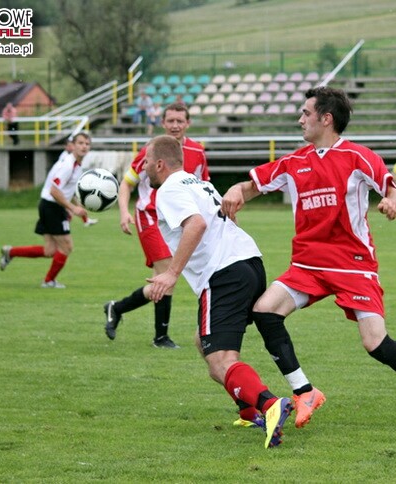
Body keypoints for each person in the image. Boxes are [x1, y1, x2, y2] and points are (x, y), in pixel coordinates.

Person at [221, 86, 396, 429]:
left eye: (306, 113)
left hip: (352, 265)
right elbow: (250, 186)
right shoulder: (294, 162)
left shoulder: (358, 157)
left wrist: (393, 203)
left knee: (375, 343)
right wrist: (236, 190)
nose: (300, 120)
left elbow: (394, 191)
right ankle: (305, 391)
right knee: (265, 311)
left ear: (326, 119)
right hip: (307, 265)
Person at [143, 134, 294, 449]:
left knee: (220, 359)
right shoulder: (200, 183)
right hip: (250, 263)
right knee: (204, 342)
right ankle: (248, 409)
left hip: (223, 273)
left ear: (159, 164)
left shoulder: (168, 189)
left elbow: (196, 224)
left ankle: (269, 405)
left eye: (145, 162)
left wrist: (171, 273)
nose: (143, 168)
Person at [104, 103, 210, 348]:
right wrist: (123, 212)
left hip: (178, 218)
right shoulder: (150, 151)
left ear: (188, 124)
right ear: (162, 123)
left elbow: (203, 185)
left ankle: (116, 308)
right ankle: (160, 337)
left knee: (160, 279)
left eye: (179, 121)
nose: (175, 125)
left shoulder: (197, 151)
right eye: (170, 121)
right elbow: (127, 183)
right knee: (167, 268)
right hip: (150, 215)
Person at [0, 132, 91, 288]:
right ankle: (48, 281)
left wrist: (76, 205)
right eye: (80, 143)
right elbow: (54, 191)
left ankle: (11, 252)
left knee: (50, 250)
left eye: (87, 144)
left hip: (50, 206)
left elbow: (66, 190)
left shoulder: (76, 165)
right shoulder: (68, 165)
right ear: (73, 145)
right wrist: (72, 208)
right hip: (52, 207)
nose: (84, 146)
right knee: (67, 246)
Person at [58, 138, 99, 227]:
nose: (71, 147)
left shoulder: (74, 157)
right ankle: (67, 224)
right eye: (69, 146)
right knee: (70, 208)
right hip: (64, 189)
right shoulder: (65, 157)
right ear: (66, 147)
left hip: (70, 187)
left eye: (87, 144)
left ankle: (85, 220)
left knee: (77, 205)